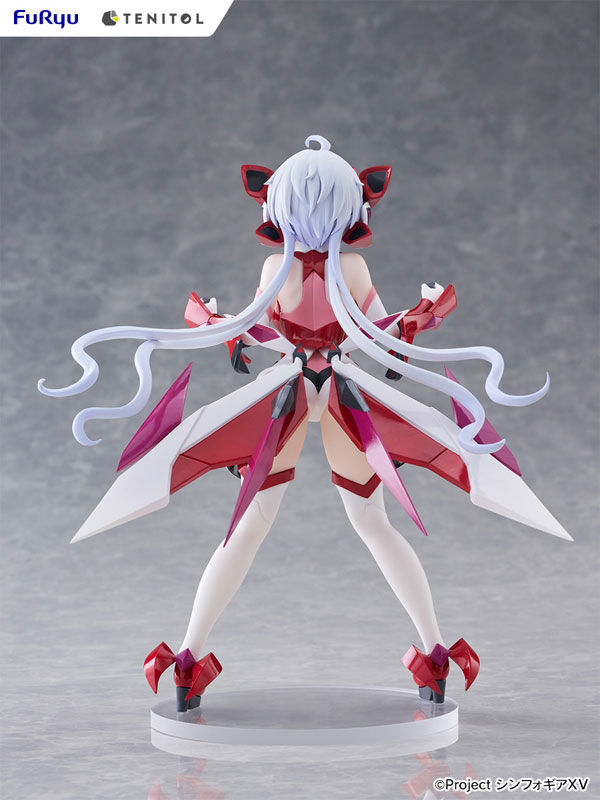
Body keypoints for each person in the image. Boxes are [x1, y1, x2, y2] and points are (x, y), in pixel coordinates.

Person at [39, 135, 570, 711]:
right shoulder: (353, 266)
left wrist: (226, 329)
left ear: (274, 204)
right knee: (371, 522)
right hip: (341, 393)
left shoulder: (277, 266)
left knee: (251, 527)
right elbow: (377, 338)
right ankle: (435, 655)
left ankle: (189, 662)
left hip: (288, 395)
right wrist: (419, 318)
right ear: (356, 205)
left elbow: (265, 333)